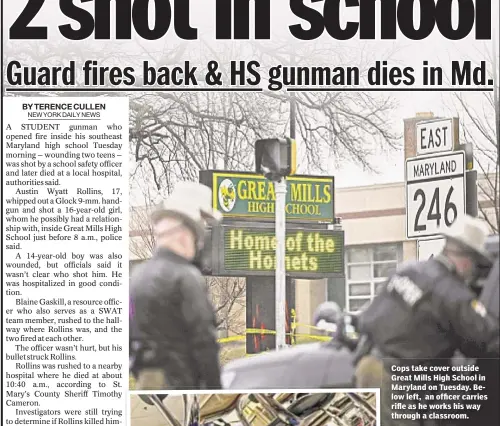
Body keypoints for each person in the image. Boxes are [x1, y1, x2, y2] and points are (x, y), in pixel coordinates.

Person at [353, 215, 499, 425]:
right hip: (397, 384)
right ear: (468, 260)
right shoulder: (453, 294)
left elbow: (367, 318)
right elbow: (487, 339)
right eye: (476, 265)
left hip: (368, 367)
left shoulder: (409, 270)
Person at [130, 182, 223, 390]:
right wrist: (215, 389)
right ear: (187, 233)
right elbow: (204, 342)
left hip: (148, 388)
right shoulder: (186, 277)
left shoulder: (136, 278)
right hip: (185, 385)